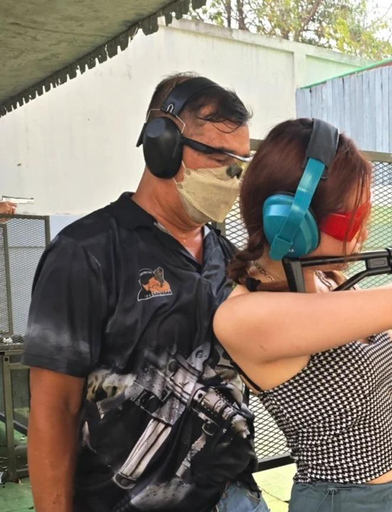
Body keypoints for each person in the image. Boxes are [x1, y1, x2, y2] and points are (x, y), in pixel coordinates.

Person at [213, 118, 392, 512]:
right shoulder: (242, 315)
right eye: (352, 219)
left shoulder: (328, 285)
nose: (363, 234)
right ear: (291, 219)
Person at [23, 73, 270, 512]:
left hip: (235, 499)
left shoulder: (228, 256)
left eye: (239, 162)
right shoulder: (86, 253)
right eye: (219, 156)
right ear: (163, 146)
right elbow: (53, 411)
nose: (233, 176)